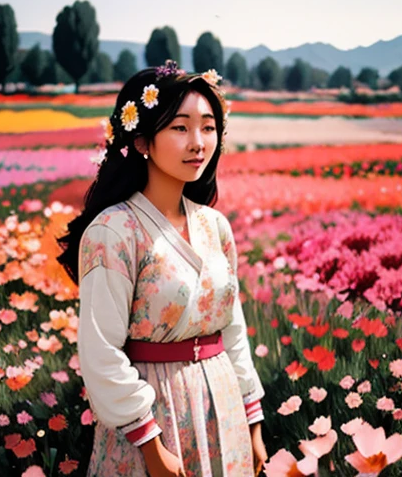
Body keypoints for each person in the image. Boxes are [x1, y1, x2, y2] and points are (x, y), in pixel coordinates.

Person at [57, 61, 267, 476]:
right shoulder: (114, 231)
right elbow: (100, 351)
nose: (198, 143)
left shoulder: (215, 226)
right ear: (141, 142)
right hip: (153, 416)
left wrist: (253, 419)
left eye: (208, 127)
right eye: (180, 127)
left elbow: (233, 330)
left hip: (223, 405)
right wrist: (151, 444)